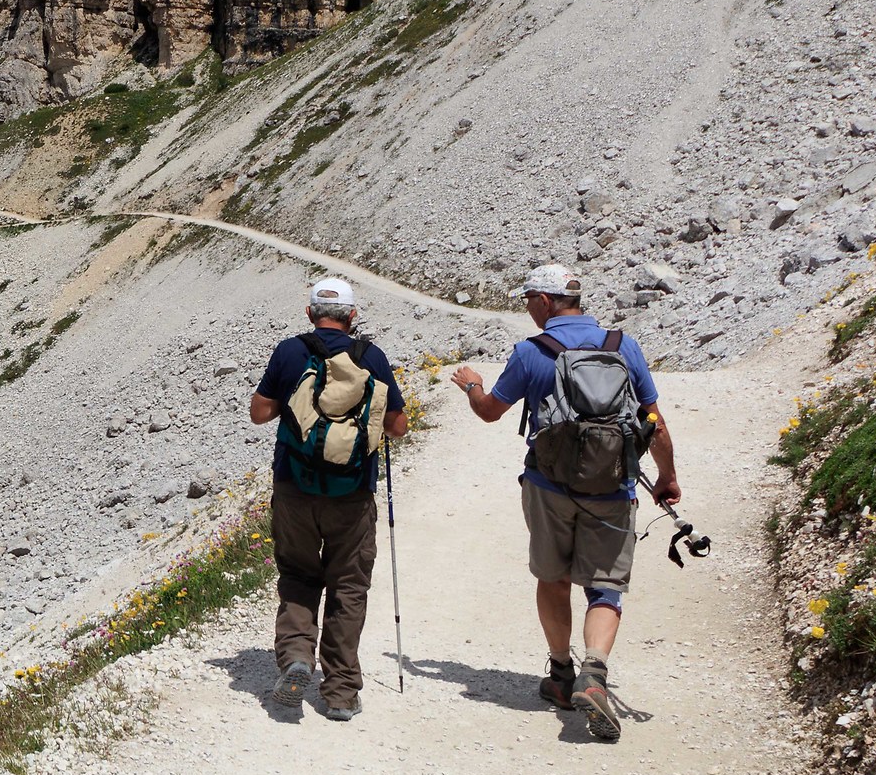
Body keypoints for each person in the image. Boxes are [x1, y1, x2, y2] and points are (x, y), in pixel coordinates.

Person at [448, 263, 681, 743]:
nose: (528, 308)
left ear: (545, 301)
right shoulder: (623, 346)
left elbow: (491, 412)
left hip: (549, 487)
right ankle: (593, 672)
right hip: (614, 488)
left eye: (528, 298)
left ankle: (560, 675)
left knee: (553, 577)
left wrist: (472, 384)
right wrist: (666, 478)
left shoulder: (532, 352)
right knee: (605, 588)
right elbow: (653, 419)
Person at [249, 277, 408, 720]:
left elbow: (259, 413)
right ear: (352, 315)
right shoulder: (372, 357)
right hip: (353, 494)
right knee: (349, 586)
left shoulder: (289, 351)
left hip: (295, 487)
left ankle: (298, 656)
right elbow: (397, 426)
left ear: (309, 312)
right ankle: (339, 692)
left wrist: (298, 406)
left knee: (298, 574)